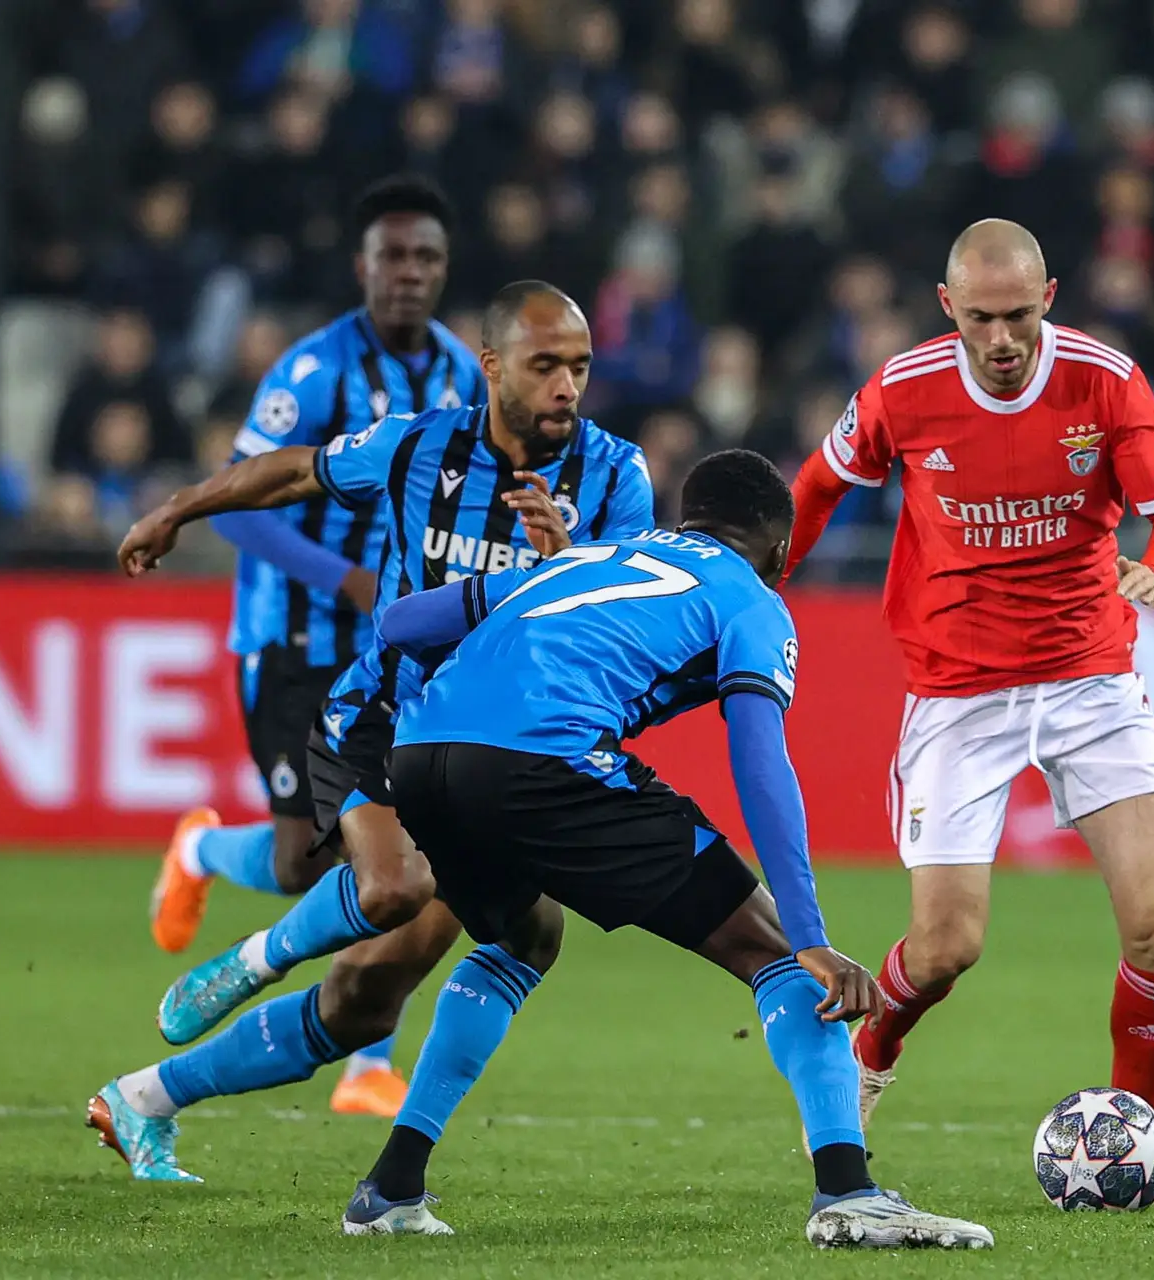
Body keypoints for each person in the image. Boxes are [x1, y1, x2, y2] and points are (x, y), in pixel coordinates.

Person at [337, 450, 991, 1249]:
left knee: (524, 938)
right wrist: (812, 935)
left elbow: (402, 622)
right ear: (781, 550)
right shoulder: (750, 600)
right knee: (778, 953)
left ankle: (391, 1189)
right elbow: (760, 761)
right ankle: (849, 1194)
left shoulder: (591, 556)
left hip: (423, 757)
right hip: (543, 759)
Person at [87, 282, 653, 1181]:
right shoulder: (422, 445)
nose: (567, 387)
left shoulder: (618, 477)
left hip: (497, 755)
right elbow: (295, 468)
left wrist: (568, 564)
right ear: (495, 365)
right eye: (546, 365)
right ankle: (254, 961)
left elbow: (626, 628)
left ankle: (144, 1099)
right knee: (393, 887)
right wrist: (181, 507)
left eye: (579, 367)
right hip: (384, 720)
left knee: (368, 1002)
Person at [786, 219, 1154, 1207]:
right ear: (948, 308)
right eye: (982, 317)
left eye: (1020, 314)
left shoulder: (1105, 381)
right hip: (958, 689)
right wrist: (759, 586)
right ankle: (877, 1039)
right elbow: (814, 487)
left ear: (1049, 295)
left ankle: (1129, 1138)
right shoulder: (902, 389)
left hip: (1089, 679)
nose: (1004, 337)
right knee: (946, 948)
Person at [147, 173, 482, 1118]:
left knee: (394, 853)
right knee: (309, 862)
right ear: (362, 267)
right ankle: (208, 852)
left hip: (400, 653)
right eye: (392, 257)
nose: (408, 274)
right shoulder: (312, 372)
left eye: (425, 258)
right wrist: (345, 577)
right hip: (295, 643)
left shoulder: (463, 372)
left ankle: (366, 1065)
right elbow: (243, 509)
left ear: (444, 269)